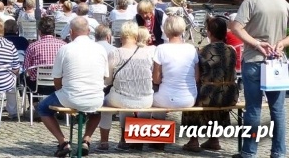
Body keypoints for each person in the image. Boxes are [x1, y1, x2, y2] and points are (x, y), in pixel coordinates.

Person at [231, 0, 289, 158]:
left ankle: (249, 152)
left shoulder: (251, 1)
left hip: (254, 60)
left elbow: (236, 27)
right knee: (278, 111)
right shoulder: (283, 3)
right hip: (276, 63)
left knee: (253, 108)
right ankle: (279, 153)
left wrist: (256, 42)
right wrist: (282, 43)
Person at [38, 17, 108, 157]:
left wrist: (61, 92)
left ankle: (63, 142)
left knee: (41, 108)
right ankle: (86, 139)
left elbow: (57, 79)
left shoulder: (65, 49)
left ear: (70, 32)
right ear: (88, 31)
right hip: (95, 97)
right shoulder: (100, 49)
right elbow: (104, 76)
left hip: (70, 96)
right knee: (98, 109)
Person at [182, 16, 239, 152]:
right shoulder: (231, 50)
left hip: (209, 95)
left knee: (191, 100)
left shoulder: (203, 51)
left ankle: (193, 140)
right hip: (230, 95)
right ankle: (214, 139)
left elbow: (197, 76)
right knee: (218, 92)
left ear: (209, 33)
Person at [97, 21, 154, 151]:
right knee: (126, 101)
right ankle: (126, 139)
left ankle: (104, 142)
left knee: (105, 104)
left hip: (122, 98)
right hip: (145, 99)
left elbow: (108, 80)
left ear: (122, 36)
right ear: (136, 36)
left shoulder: (116, 53)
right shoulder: (147, 53)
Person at [151, 14, 198, 151]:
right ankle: (193, 139)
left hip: (166, 98)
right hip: (189, 98)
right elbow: (196, 77)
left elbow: (156, 79)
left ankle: (159, 139)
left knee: (153, 101)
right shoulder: (191, 49)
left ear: (165, 30)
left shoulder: (161, 49)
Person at [22, 17, 66, 92]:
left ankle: (35, 102)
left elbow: (26, 67)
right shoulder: (64, 45)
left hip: (38, 86)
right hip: (59, 84)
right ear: (53, 30)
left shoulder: (33, 46)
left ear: (39, 31)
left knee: (24, 79)